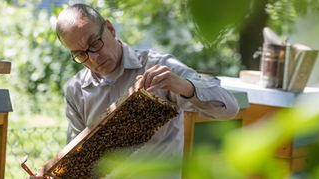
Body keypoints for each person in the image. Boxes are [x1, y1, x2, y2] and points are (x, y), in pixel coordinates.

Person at [31, 3, 239, 179]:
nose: (93, 57)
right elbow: (77, 160)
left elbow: (230, 108)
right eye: (80, 54)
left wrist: (183, 86)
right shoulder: (76, 89)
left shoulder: (158, 65)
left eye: (94, 43)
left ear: (110, 29)